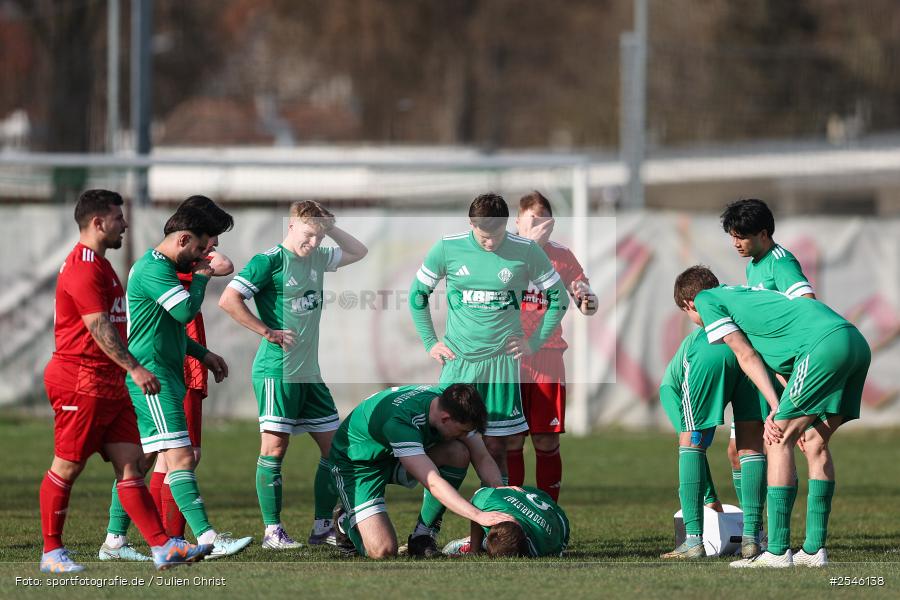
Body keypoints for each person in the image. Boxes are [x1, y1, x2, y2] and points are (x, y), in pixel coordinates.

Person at [39, 189, 211, 573]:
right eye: (119, 218)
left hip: (107, 383)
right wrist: (135, 367)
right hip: (79, 379)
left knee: (131, 464)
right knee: (67, 466)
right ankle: (52, 552)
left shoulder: (102, 266)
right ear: (98, 222)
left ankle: (161, 547)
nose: (125, 223)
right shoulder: (83, 266)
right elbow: (98, 327)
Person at [674, 266, 870, 568]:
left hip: (823, 346)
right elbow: (781, 361)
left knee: (778, 439)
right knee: (815, 442)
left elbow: (746, 355)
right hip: (854, 341)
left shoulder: (708, 300)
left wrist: (776, 409)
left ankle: (777, 552)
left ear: (690, 304)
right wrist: (781, 404)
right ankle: (814, 549)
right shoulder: (745, 295)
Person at [408, 192, 569, 550]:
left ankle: (492, 536)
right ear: (471, 225)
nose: (490, 241)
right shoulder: (447, 249)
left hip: (500, 368)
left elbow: (559, 297)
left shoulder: (525, 251)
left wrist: (534, 342)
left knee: (498, 449)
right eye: (483, 236)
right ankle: (425, 530)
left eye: (496, 234)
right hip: (459, 366)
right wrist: (429, 341)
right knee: (443, 442)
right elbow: (417, 294)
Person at [219, 200, 367, 549]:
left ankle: (321, 528)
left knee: (337, 450)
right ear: (290, 225)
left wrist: (328, 229)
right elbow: (228, 299)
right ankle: (273, 532)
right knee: (274, 448)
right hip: (277, 371)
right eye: (308, 234)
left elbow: (358, 251)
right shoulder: (268, 261)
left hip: (309, 373)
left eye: (318, 236)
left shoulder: (317, 256)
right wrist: (266, 331)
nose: (313, 243)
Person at [99, 196, 234, 560]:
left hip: (163, 375)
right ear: (183, 240)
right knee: (181, 457)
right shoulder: (154, 268)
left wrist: (203, 354)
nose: (204, 256)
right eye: (203, 248)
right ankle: (208, 536)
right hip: (152, 378)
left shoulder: (163, 267)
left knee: (140, 462)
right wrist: (204, 277)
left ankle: (113, 541)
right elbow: (184, 311)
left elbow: (166, 331)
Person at [328, 384, 514, 558]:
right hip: (358, 465)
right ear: (445, 418)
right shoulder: (401, 422)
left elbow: (481, 456)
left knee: (458, 452)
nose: (465, 436)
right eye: (462, 431)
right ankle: (345, 521)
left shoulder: (450, 402)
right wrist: (478, 515)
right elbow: (432, 481)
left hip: (392, 453)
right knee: (383, 551)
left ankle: (423, 536)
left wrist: (500, 491)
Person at [720, 198, 816, 513]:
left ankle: (777, 530)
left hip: (784, 372)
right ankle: (755, 529)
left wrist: (794, 374)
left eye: (741, 236)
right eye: (732, 236)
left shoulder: (781, 262)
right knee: (738, 450)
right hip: (763, 371)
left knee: (787, 446)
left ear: (763, 233)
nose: (735, 243)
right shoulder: (753, 265)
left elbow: (808, 304)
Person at [507, 191, 597, 502]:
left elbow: (584, 302)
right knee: (510, 439)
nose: (539, 226)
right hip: (510, 357)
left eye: (545, 220)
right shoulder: (503, 252)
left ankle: (548, 514)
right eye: (532, 220)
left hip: (547, 355)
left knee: (545, 440)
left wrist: (587, 299)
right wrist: (529, 246)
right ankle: (513, 513)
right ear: (518, 221)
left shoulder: (563, 256)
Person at [657, 317, 767, 559]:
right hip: (753, 351)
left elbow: (690, 442)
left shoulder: (696, 341)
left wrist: (709, 496)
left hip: (711, 357)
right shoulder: (742, 320)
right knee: (748, 448)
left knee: (692, 444)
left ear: (688, 306)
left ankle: (694, 540)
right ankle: (753, 537)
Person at [442, 485, 569, 558]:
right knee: (478, 511)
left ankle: (480, 543)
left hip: (559, 519)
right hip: (529, 496)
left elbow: (560, 544)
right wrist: (479, 516)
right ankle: (475, 546)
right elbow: (478, 495)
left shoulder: (542, 546)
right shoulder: (489, 501)